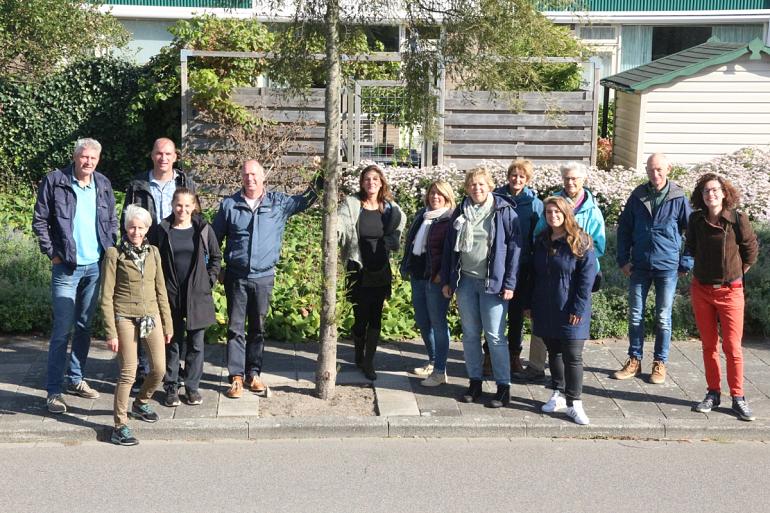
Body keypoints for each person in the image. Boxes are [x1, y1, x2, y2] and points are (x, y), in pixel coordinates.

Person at [213, 160, 321, 398]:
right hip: (236, 277)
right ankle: (236, 378)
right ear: (241, 177)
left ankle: (254, 374)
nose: (249, 178)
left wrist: (323, 172)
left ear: (263, 177)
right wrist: (217, 269)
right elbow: (213, 240)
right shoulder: (229, 205)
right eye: (245, 174)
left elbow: (307, 199)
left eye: (254, 174)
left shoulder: (278, 203)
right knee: (235, 328)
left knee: (258, 329)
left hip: (264, 277)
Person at [32, 138, 118, 414]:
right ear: (75, 157)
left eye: (93, 158)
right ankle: (54, 391)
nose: (88, 162)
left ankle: (76, 379)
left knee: (84, 327)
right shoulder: (56, 181)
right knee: (62, 331)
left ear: (98, 160)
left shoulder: (102, 184)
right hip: (66, 267)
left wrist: (111, 247)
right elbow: (40, 219)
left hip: (95, 266)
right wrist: (52, 253)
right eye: (83, 157)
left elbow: (112, 220)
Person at [515, 162, 605, 384]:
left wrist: (577, 255)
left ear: (583, 180)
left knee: (571, 323)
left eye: (574, 178)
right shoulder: (553, 202)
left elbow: (599, 245)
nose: (570, 182)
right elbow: (539, 234)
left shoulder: (592, 209)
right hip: (549, 273)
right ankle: (536, 366)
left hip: (576, 275)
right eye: (566, 178)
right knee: (542, 321)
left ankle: (565, 374)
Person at [441, 167, 521, 408]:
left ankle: (503, 386)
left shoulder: (504, 212)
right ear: (467, 188)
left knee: (495, 337)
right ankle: (474, 381)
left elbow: (515, 250)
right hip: (465, 281)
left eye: (481, 184)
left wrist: (509, 283)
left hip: (492, 284)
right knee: (470, 335)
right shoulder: (460, 211)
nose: (477, 188)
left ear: (490, 186)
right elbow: (449, 248)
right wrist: (447, 280)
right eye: (473, 185)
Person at [123, 137, 196, 391]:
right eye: (158, 153)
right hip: (146, 253)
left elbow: (195, 218)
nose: (163, 158)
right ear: (151, 155)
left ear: (175, 156)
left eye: (168, 154)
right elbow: (128, 220)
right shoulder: (138, 184)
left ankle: (172, 371)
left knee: (175, 315)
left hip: (177, 257)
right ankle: (144, 371)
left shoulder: (185, 182)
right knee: (146, 312)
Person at [613, 153, 692, 384]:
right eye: (650, 170)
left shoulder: (678, 197)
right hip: (639, 265)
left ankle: (660, 362)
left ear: (668, 169)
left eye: (659, 169)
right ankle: (634, 360)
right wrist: (623, 260)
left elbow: (693, 233)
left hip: (667, 267)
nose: (655, 174)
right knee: (635, 316)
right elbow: (624, 230)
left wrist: (686, 262)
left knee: (663, 317)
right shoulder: (638, 196)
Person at [686, 173, 758, 421]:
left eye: (715, 190)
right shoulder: (696, 220)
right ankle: (713, 393)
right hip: (702, 290)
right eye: (706, 191)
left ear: (724, 193)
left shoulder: (737, 219)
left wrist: (735, 274)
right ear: (701, 195)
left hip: (730, 292)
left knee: (732, 346)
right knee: (708, 346)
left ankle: (738, 397)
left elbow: (750, 251)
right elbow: (691, 248)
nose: (711, 195)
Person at [101, 205, 174, 446]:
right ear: (125, 227)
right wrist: (111, 332)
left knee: (159, 370)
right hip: (124, 317)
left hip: (151, 316)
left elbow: (161, 290)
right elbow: (106, 296)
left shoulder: (153, 252)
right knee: (128, 373)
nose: (135, 231)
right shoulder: (114, 254)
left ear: (147, 229)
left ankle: (141, 402)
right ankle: (120, 425)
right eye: (132, 226)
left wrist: (168, 324)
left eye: (140, 227)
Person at [530, 196, 596, 425]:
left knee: (573, 355)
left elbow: (586, 280)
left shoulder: (581, 241)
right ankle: (558, 392)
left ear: (566, 213)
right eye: (548, 212)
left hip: (572, 308)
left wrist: (578, 306)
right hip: (546, 306)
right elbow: (534, 275)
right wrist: (531, 304)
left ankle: (574, 402)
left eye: (557, 212)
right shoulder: (542, 240)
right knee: (554, 352)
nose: (552, 216)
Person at [339, 164, 405, 381]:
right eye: (367, 179)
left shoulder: (389, 207)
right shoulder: (352, 203)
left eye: (375, 179)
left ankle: (369, 362)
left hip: (380, 268)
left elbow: (399, 224)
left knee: (375, 316)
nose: (371, 182)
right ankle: (359, 353)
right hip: (358, 267)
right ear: (362, 182)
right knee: (359, 316)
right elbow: (340, 223)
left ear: (381, 182)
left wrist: (391, 241)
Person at [156, 188, 221, 407]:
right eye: (178, 205)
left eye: (187, 205)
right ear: (172, 206)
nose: (182, 210)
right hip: (171, 295)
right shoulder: (162, 230)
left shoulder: (203, 229)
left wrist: (209, 281)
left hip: (197, 295)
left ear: (194, 206)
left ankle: (192, 387)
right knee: (171, 342)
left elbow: (216, 257)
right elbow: (153, 259)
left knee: (196, 344)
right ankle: (172, 386)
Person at [399, 181, 455, 386]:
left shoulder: (450, 219)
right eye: (432, 193)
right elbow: (411, 243)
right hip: (418, 275)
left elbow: (453, 252)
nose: (435, 197)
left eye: (440, 194)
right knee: (423, 321)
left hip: (436, 279)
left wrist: (442, 274)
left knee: (438, 323)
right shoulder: (422, 215)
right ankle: (432, 361)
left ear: (447, 197)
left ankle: (440, 370)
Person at [491, 159, 543, 375]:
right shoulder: (496, 198)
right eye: (514, 175)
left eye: (522, 176)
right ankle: (489, 355)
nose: (517, 179)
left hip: (522, 266)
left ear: (528, 179)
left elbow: (538, 235)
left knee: (516, 314)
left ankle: (514, 355)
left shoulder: (534, 203)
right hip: (497, 264)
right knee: (494, 312)